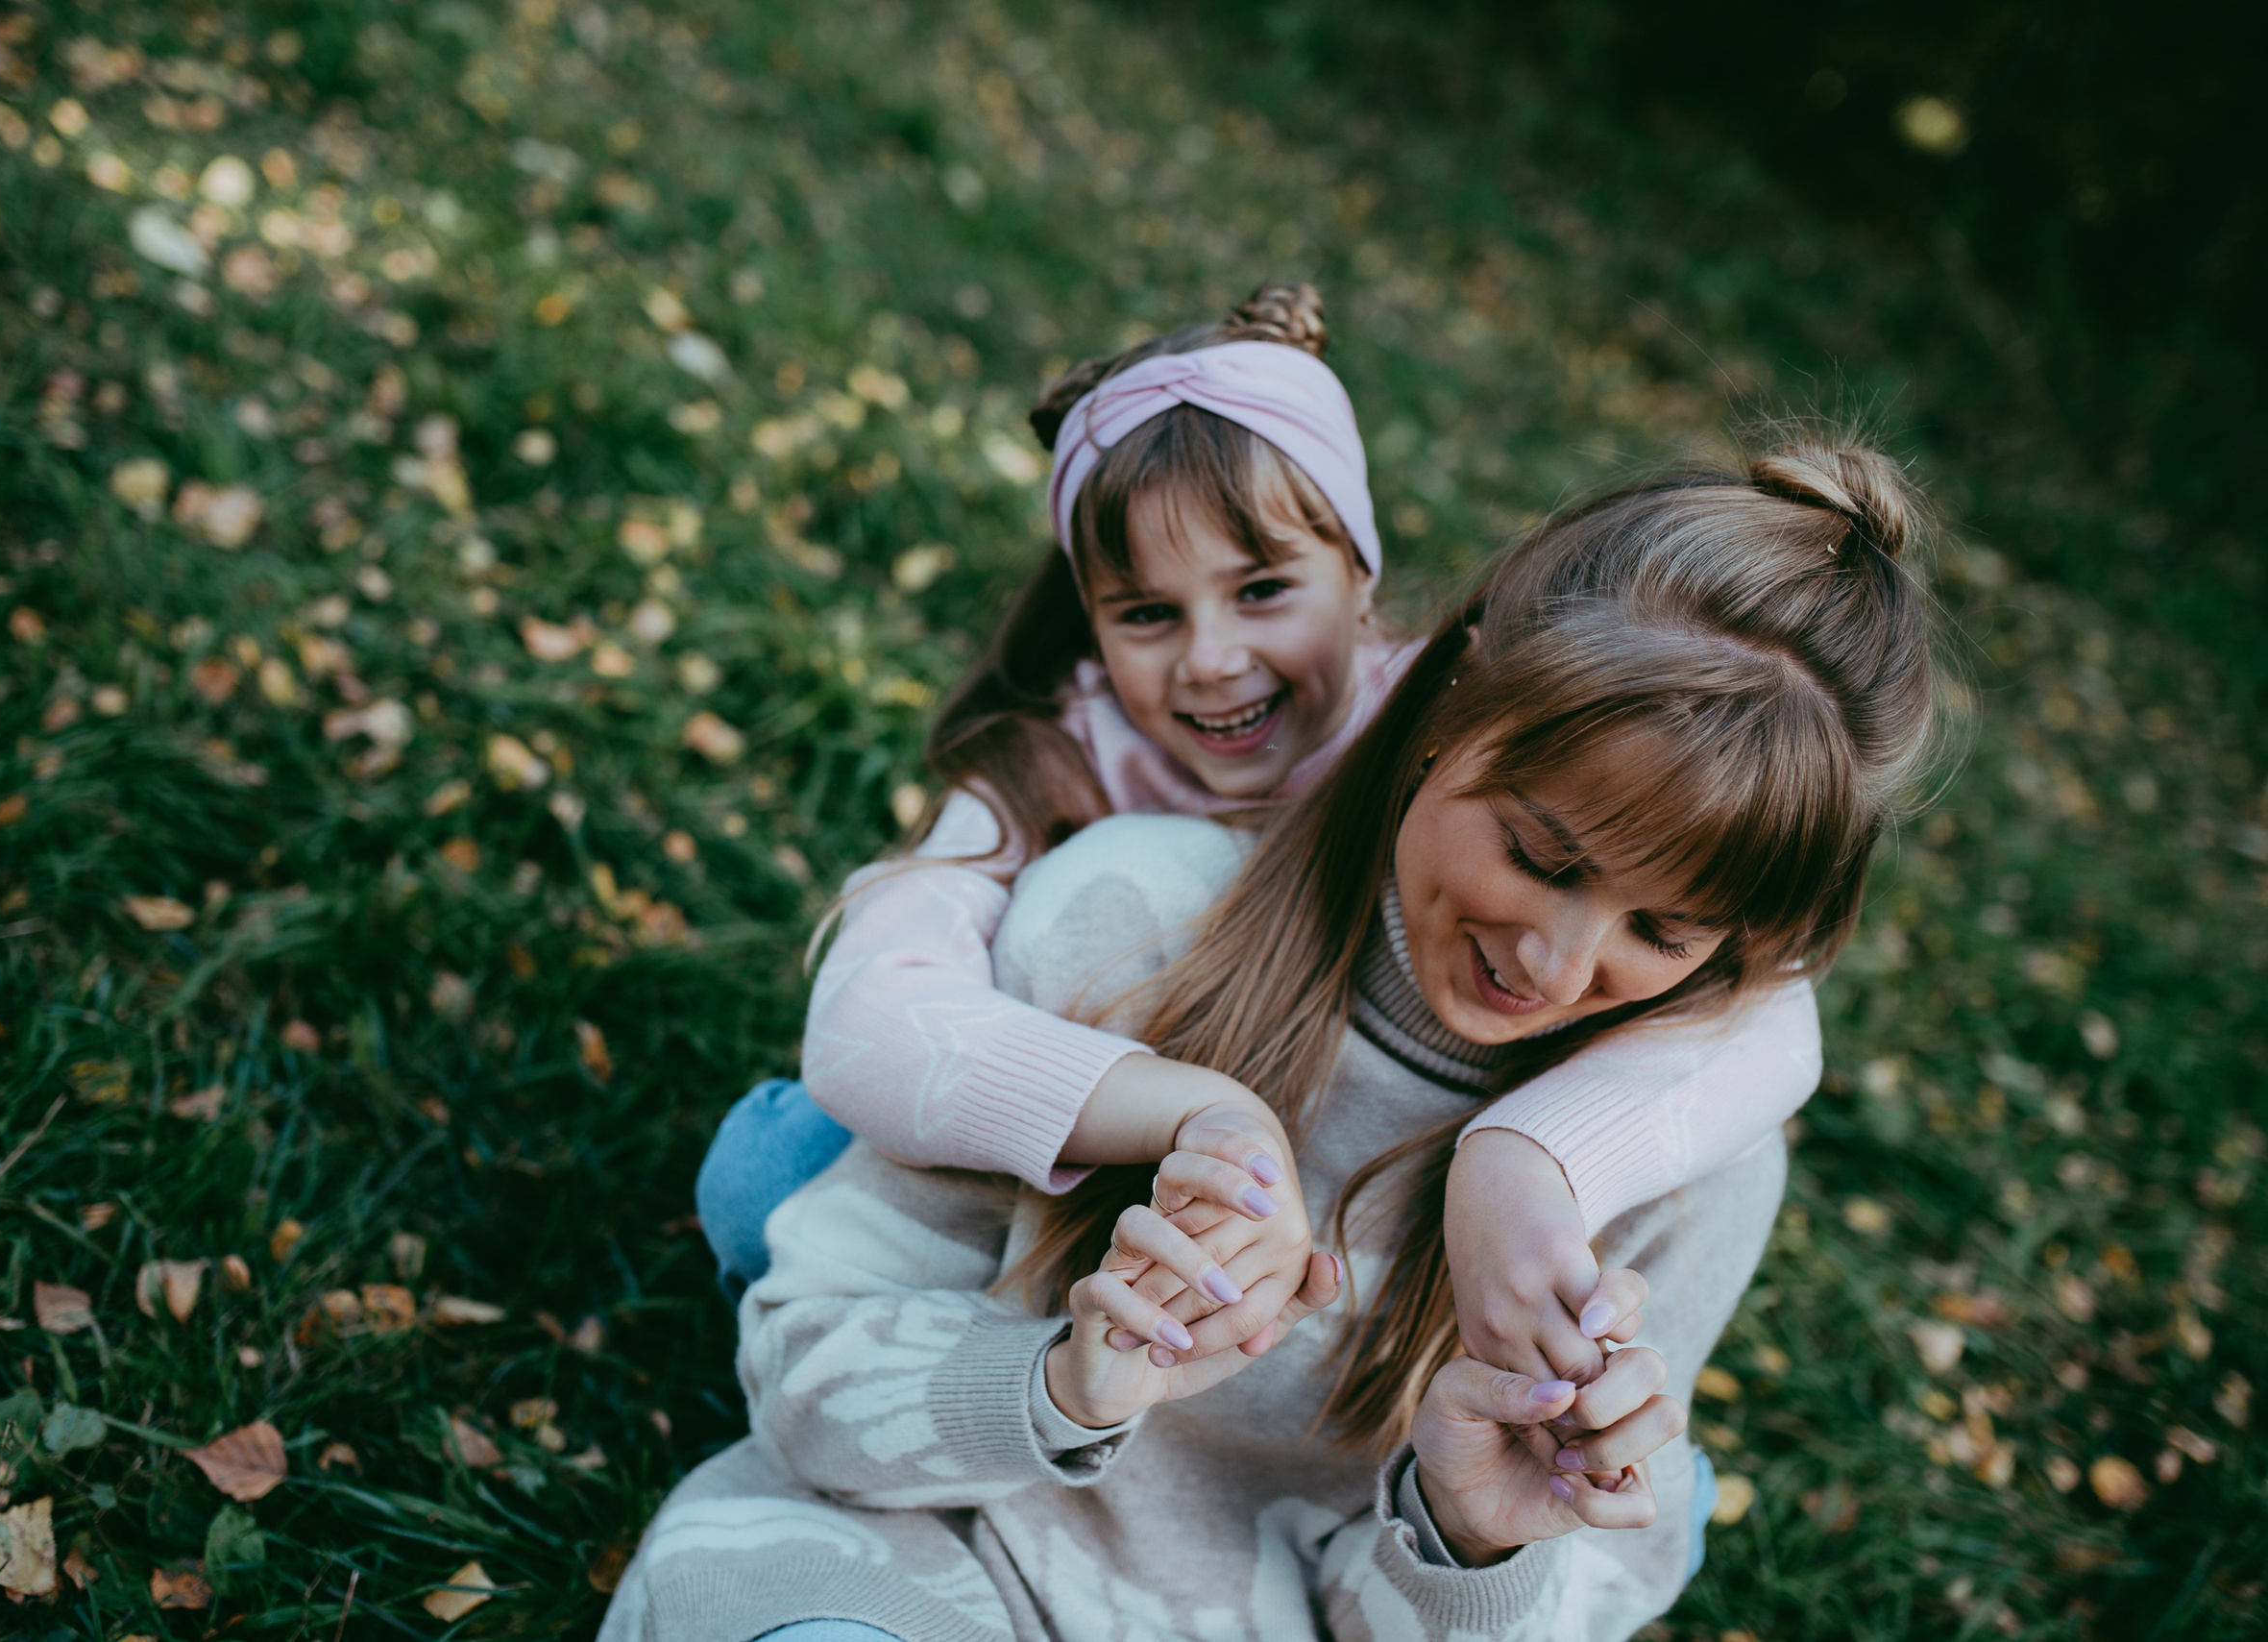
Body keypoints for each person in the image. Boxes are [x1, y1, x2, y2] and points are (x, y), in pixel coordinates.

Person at [611, 436, 1949, 1641]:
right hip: (915, 1565)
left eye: (1663, 929)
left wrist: (1466, 1534)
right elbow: (807, 1373)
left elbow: (1549, 1594)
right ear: (1450, 706)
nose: (1554, 963)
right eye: (1541, 854)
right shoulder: (1126, 915)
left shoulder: (1696, 1167)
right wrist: (1060, 1382)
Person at [698, 285, 1822, 1391]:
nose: (1211, 659)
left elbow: (1771, 1001)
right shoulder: (1053, 763)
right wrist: (1183, 1109)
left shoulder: (1457, 728)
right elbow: (863, 1019)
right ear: (1091, 620)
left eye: (1264, 589)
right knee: (766, 1169)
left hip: (1348, 1193)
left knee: (1640, 1464)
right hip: (1109, 1156)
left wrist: (1538, 1155)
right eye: (1148, 612)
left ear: (1359, 568)